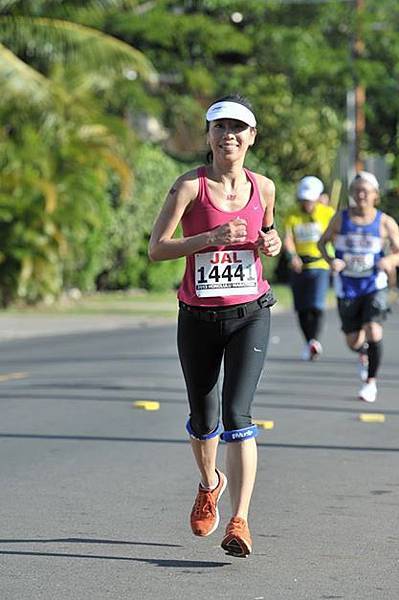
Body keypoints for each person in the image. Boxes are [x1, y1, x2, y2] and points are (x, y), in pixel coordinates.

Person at [148, 94, 282, 557]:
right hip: (199, 317)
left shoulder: (264, 187)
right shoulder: (188, 187)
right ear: (208, 136)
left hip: (251, 314)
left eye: (238, 128)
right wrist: (208, 239)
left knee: (236, 416)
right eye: (220, 127)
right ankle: (211, 483)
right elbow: (157, 248)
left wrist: (273, 244)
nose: (229, 136)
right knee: (203, 419)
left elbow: (269, 234)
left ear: (251, 137)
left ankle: (240, 522)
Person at [318, 171, 399, 403]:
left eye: (365, 191)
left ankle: (370, 383)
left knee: (374, 330)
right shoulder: (340, 218)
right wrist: (332, 260)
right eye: (356, 191)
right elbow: (321, 243)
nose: (360, 195)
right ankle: (363, 352)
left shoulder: (384, 222)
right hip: (348, 287)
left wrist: (389, 261)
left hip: (374, 284)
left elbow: (398, 252)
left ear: (375, 195)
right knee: (353, 341)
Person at [283, 176, 335, 360]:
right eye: (304, 200)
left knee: (316, 305)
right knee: (302, 307)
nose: (307, 203)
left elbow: (334, 235)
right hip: (299, 266)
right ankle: (309, 342)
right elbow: (288, 238)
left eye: (310, 200)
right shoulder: (292, 214)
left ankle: (314, 340)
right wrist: (292, 256)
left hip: (320, 264)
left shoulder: (327, 213)